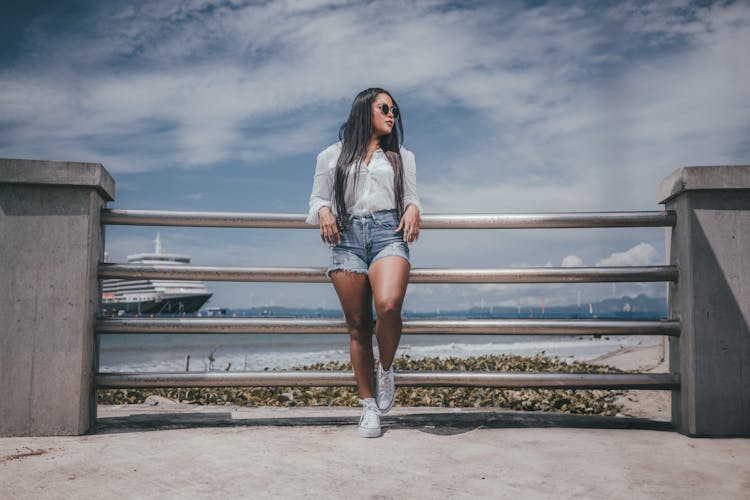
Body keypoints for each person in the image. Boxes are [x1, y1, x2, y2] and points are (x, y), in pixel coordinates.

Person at [306, 88, 421, 438]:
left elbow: (411, 197)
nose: (391, 114)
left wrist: (414, 207)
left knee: (388, 306)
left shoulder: (402, 156)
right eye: (384, 108)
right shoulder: (331, 155)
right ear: (363, 111)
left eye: (395, 110)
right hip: (347, 238)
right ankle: (369, 406)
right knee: (357, 325)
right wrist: (324, 209)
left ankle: (385, 370)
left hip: (388, 233)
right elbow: (316, 199)